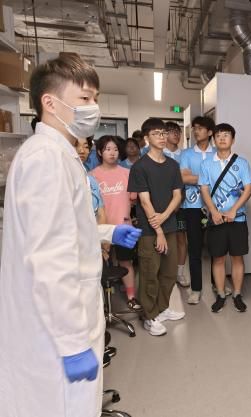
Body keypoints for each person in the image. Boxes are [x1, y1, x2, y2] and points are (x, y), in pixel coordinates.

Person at [0, 52, 141, 417]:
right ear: (50, 102)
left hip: (68, 317)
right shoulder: (45, 159)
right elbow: (50, 259)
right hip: (57, 331)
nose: (93, 107)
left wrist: (110, 230)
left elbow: (68, 227)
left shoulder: (60, 155)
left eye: (95, 98)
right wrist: (72, 342)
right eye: (84, 98)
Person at [128, 117, 185, 336]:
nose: (161, 137)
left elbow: (177, 195)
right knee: (150, 273)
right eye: (156, 134)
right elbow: (144, 201)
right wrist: (158, 229)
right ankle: (149, 316)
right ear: (146, 138)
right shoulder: (140, 167)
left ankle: (162, 308)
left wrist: (164, 218)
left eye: (163, 133)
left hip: (169, 225)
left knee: (169, 273)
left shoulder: (172, 165)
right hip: (149, 231)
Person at [199, 123, 251, 313]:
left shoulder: (242, 163)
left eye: (226, 135)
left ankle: (237, 294)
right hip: (216, 219)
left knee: (237, 258)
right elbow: (204, 189)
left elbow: (249, 188)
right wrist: (213, 211)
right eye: (219, 135)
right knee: (218, 258)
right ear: (214, 139)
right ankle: (221, 294)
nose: (222, 138)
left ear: (233, 139)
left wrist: (234, 210)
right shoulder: (207, 164)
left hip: (237, 219)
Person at [91, 135, 141, 311]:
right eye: (107, 149)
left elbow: (134, 199)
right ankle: (101, 302)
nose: (112, 153)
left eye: (115, 149)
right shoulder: (92, 176)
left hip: (123, 226)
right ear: (99, 152)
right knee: (101, 264)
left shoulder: (127, 173)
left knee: (126, 262)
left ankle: (131, 297)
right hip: (101, 228)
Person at [180, 116, 215, 304]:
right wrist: (209, 179)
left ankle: (218, 285)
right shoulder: (186, 154)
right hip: (192, 206)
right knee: (194, 250)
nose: (196, 131)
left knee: (216, 249)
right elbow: (183, 178)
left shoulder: (217, 153)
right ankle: (196, 289)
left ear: (209, 132)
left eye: (200, 128)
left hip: (216, 207)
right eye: (194, 128)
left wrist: (196, 177)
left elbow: (222, 178)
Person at [164, 121, 189, 287]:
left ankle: (179, 273)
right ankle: (165, 272)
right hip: (162, 204)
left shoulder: (185, 155)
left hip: (181, 203)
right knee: (164, 238)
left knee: (181, 239)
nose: (176, 134)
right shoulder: (158, 154)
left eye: (178, 131)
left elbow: (186, 179)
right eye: (171, 131)